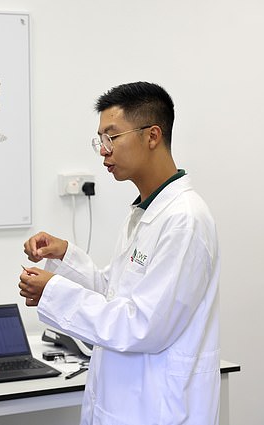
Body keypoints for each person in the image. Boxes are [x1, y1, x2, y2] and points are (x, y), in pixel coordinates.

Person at [19, 82, 220, 425]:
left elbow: (143, 326)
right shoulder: (143, 213)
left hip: (159, 410)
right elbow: (114, 291)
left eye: (111, 137)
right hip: (127, 403)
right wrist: (66, 256)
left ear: (152, 136)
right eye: (100, 139)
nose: (103, 151)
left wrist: (53, 292)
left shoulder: (184, 220)